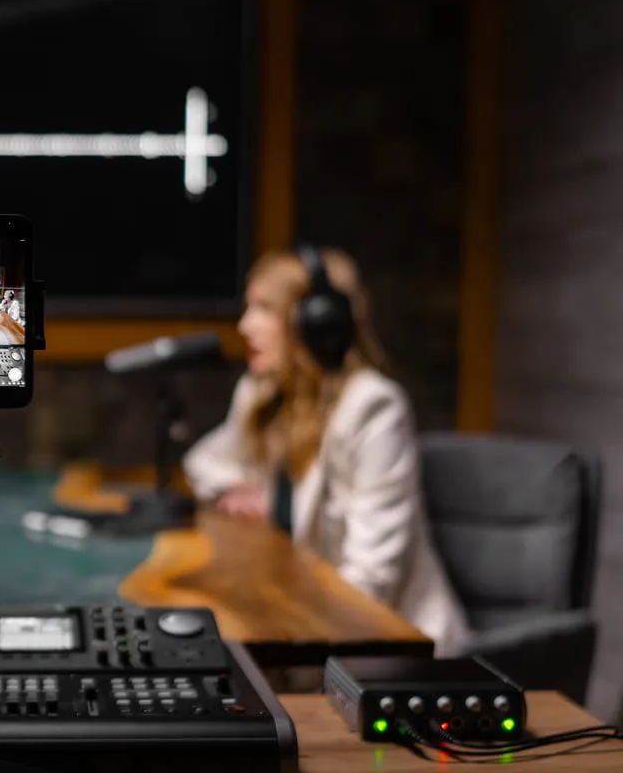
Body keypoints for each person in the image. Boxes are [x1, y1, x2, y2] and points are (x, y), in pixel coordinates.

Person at [182, 245, 470, 654]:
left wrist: (291, 654)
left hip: (389, 648)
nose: (245, 326)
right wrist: (230, 485)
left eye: (264, 309)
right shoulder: (262, 394)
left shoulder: (373, 407)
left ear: (317, 322)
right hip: (305, 629)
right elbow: (203, 461)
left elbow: (369, 579)